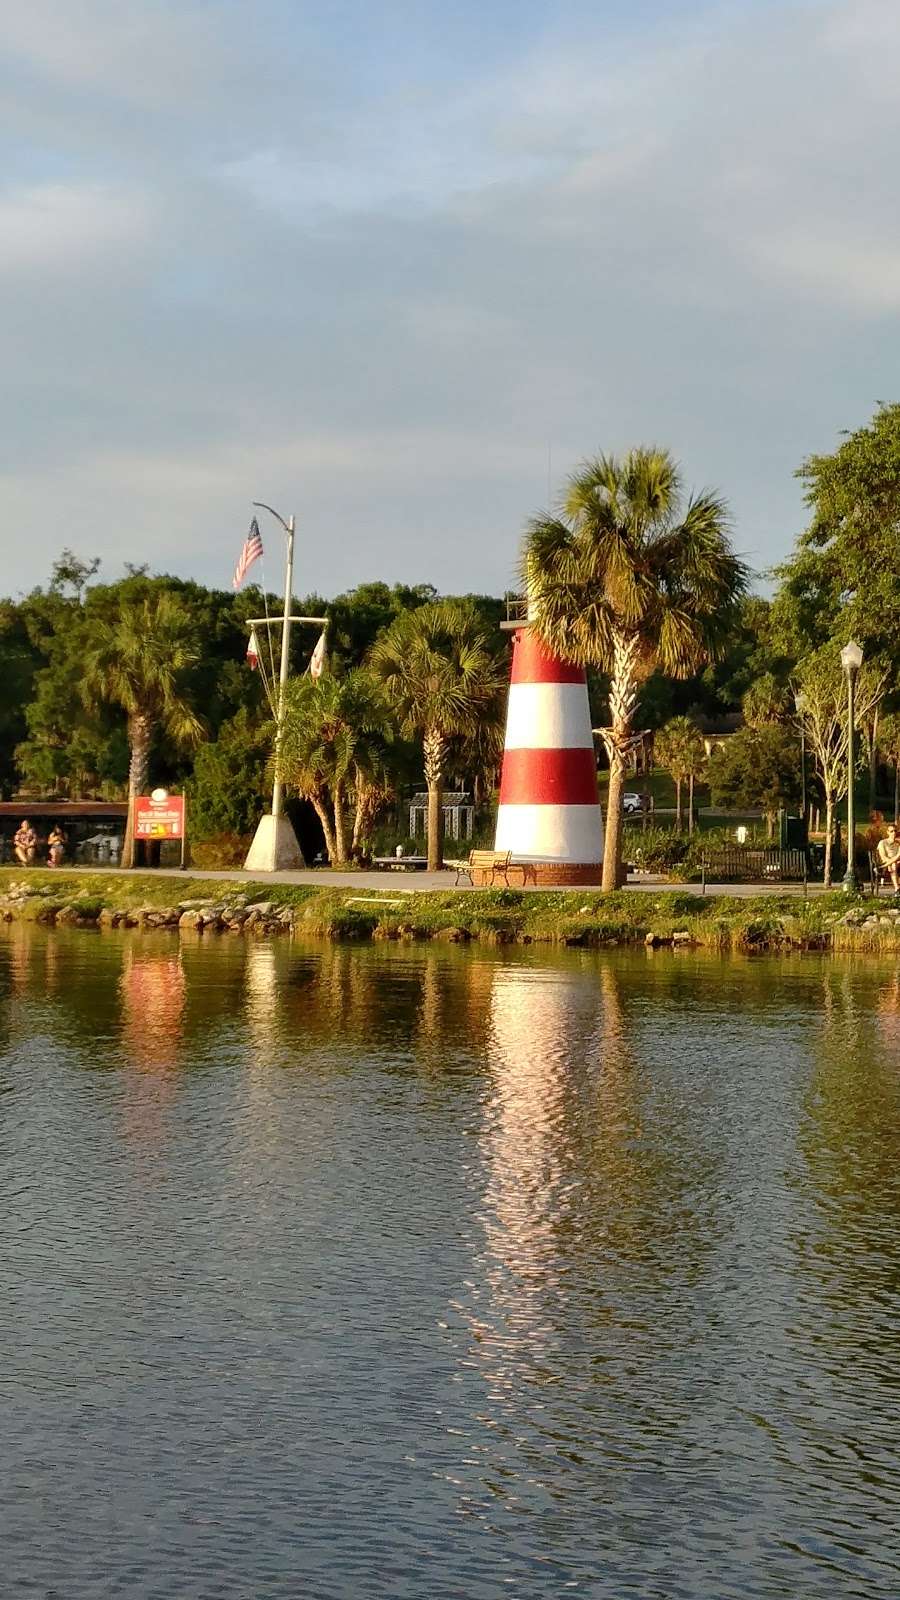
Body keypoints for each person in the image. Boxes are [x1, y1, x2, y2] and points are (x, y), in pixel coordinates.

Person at [876, 824, 900, 892]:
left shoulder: (898, 843)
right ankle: (897, 888)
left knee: (896, 861)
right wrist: (890, 863)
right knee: (893, 865)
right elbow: (883, 857)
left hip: (898, 862)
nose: (894, 833)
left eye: (895, 831)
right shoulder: (883, 842)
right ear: (887, 832)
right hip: (887, 863)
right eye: (891, 831)